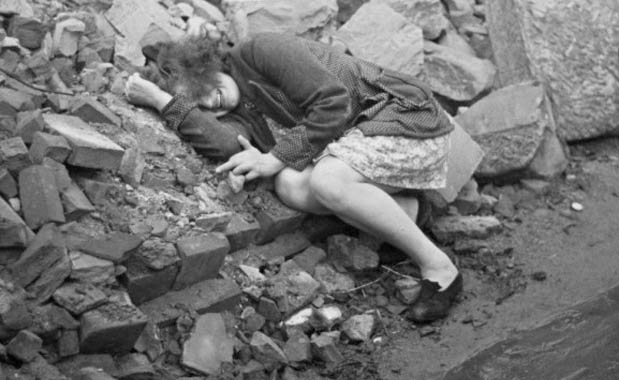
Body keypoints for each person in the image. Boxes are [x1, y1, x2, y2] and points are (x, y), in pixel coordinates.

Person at [124, 32, 462, 322]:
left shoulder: (261, 51)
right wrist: (162, 100)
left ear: (206, 65)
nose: (210, 102)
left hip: (404, 119)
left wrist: (275, 156)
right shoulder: (234, 111)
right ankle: (412, 212)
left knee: (325, 182)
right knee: (291, 185)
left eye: (203, 87)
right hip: (361, 150)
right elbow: (226, 143)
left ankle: (440, 269)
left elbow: (335, 103)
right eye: (198, 105)